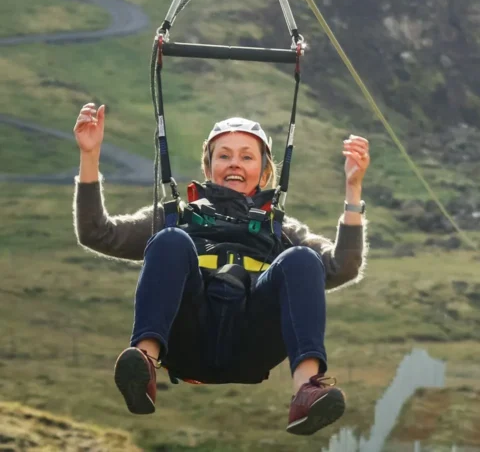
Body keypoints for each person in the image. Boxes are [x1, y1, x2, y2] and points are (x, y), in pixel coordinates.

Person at [73, 103, 369, 435]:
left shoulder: (281, 230)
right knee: (170, 239)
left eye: (247, 157)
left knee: (303, 258)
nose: (234, 165)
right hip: (187, 340)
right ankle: (143, 366)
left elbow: (342, 266)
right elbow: (98, 233)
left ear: (265, 169)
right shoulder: (176, 216)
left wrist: (353, 190)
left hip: (251, 345)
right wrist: (90, 156)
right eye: (224, 156)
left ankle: (307, 390)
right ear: (209, 165)